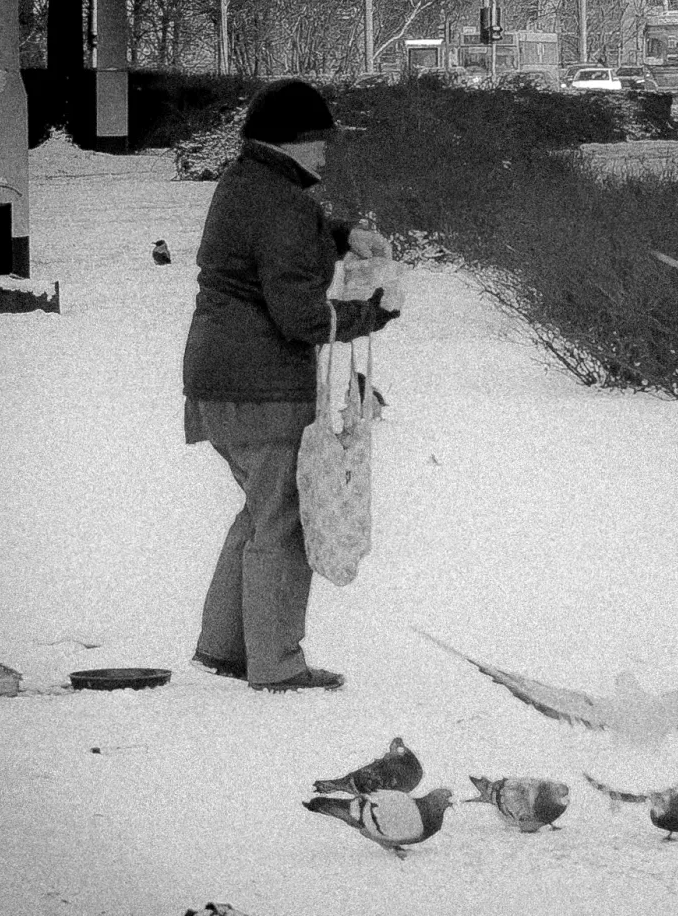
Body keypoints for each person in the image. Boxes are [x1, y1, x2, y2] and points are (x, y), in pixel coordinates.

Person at [182, 78, 399, 692]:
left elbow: (277, 239)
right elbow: (302, 317)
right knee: (283, 521)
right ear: (290, 142)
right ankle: (276, 665)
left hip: (214, 379)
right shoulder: (285, 203)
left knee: (262, 510)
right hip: (263, 388)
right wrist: (373, 313)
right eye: (319, 139)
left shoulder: (243, 181)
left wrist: (342, 235)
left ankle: (224, 648)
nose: (326, 150)